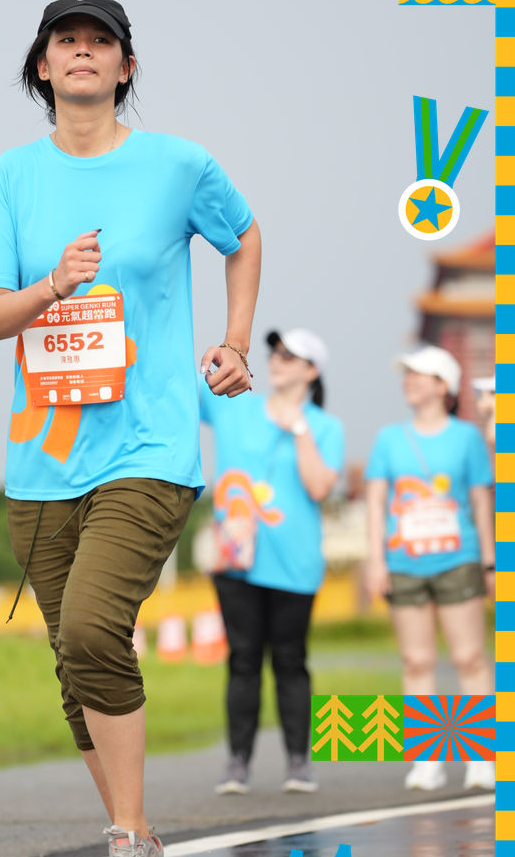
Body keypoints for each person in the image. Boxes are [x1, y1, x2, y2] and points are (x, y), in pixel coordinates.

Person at [0, 0, 261, 857]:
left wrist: (234, 341)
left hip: (149, 445)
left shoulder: (177, 165)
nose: (83, 52)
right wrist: (54, 284)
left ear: (126, 67)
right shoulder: (10, 178)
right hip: (43, 459)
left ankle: (127, 847)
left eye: (101, 41)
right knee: (74, 663)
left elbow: (243, 235)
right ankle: (141, 842)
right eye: (67, 41)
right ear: (42, 66)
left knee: (94, 629)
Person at [201, 328, 343, 795]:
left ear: (311, 371)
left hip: (295, 564)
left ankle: (298, 763)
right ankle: (237, 764)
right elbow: (187, 385)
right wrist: (216, 357)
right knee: (242, 660)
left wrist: (298, 427)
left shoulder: (325, 427)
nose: (277, 360)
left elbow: (319, 487)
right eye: (275, 352)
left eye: (289, 355)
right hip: (236, 560)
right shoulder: (234, 406)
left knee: (290, 660)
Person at [365, 345, 495, 792]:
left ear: (444, 386)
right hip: (404, 562)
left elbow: (480, 501)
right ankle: (427, 759)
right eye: (407, 374)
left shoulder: (467, 438)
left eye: (419, 374)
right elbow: (376, 503)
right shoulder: (388, 439)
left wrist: (490, 560)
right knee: (416, 660)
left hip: (459, 559)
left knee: (469, 657)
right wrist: (376, 560)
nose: (409, 381)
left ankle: (480, 756)